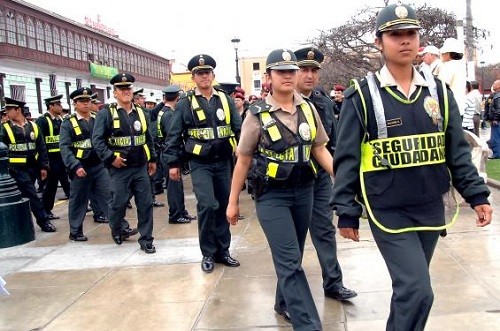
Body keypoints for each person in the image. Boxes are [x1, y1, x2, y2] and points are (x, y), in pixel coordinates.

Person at [331, 4, 493, 330]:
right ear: (379, 42)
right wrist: (346, 209)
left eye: (411, 34)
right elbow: (346, 158)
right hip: (387, 209)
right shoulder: (361, 96)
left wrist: (477, 195)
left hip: (431, 206)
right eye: (395, 35)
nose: (405, 41)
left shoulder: (439, 92)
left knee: (410, 291)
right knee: (419, 290)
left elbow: (456, 152)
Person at [226, 48, 333, 329]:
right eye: (280, 71)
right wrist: (233, 201)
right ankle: (309, 324)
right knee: (290, 263)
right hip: (272, 196)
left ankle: (282, 302)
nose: (288, 76)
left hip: (304, 191)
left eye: (291, 71)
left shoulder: (308, 108)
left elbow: (319, 148)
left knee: (293, 256)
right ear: (269, 77)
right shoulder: (256, 114)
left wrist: (344, 179)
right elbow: (244, 160)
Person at [164, 54, 242, 273]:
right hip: (200, 163)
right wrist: (173, 163)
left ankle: (223, 250)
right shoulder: (185, 103)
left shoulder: (225, 100)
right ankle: (207, 252)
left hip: (223, 162)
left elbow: (239, 129)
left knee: (224, 205)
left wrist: (247, 153)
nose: (204, 76)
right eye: (199, 73)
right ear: (193, 77)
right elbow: (174, 135)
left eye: (207, 72)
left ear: (213, 75)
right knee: (207, 205)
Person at [293, 46, 357, 301]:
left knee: (324, 230)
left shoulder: (323, 101)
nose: (309, 75)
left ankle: (333, 283)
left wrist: (340, 175)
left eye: (313, 70)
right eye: (304, 70)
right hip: (292, 180)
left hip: (319, 177)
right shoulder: (284, 99)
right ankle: (288, 294)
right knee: (293, 240)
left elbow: (333, 142)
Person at [92, 72, 155, 253]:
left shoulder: (142, 113)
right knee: (118, 203)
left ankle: (146, 240)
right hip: (119, 169)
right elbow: (97, 141)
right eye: (121, 89)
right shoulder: (106, 113)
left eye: (128, 88)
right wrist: (111, 158)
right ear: (115, 92)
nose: (126, 91)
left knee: (145, 203)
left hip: (140, 166)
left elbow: (147, 137)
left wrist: (152, 158)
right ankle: (117, 228)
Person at [60, 87, 111, 241]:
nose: (86, 104)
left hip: (99, 166)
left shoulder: (97, 119)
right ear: (75, 104)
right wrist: (75, 166)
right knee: (78, 200)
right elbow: (65, 148)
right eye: (82, 101)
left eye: (88, 100)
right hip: (80, 168)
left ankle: (120, 227)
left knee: (109, 197)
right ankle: (75, 231)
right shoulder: (68, 123)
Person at [0, 97, 56, 232]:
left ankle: (22, 224)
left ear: (18, 110)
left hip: (33, 167)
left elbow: (41, 148)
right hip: (16, 169)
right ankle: (44, 221)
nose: (6, 113)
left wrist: (43, 166)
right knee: (32, 195)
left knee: (25, 196)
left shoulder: (33, 126)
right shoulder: (4, 128)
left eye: (9, 109)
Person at [158, 85, 195, 224]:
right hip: (170, 154)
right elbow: (172, 135)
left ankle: (181, 211)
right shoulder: (169, 114)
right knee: (174, 188)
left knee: (177, 186)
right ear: (177, 98)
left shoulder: (165, 111)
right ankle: (175, 214)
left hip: (167, 152)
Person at [35, 94, 71, 219]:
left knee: (66, 182)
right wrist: (43, 163)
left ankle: (76, 205)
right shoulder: (42, 120)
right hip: (50, 160)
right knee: (50, 186)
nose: (61, 107)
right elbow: (40, 142)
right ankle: (46, 210)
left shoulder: (60, 120)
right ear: (51, 106)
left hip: (61, 158)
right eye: (58, 104)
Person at [438, 37, 467, 117]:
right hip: (459, 107)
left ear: (449, 53)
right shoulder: (461, 66)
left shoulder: (448, 66)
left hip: (448, 108)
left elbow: (441, 85)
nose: (442, 55)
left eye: (443, 53)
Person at [484, 80, 500, 158]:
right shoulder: (495, 95)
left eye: (494, 84)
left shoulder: (498, 96)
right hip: (496, 120)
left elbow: (498, 109)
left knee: (495, 137)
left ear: (498, 86)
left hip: (496, 120)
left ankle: (497, 154)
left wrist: (495, 119)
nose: (492, 85)